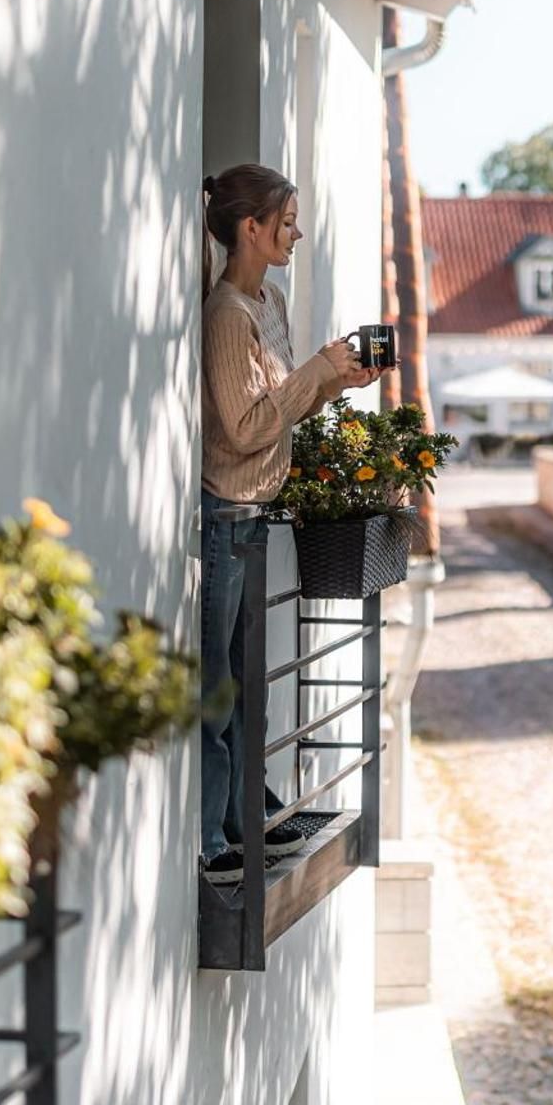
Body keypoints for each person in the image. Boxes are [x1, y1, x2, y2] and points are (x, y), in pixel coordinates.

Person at [199, 163, 377, 886]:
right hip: (226, 518)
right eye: (288, 219)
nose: (297, 232)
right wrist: (312, 373)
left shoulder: (267, 301)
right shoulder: (227, 317)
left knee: (248, 687)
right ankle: (213, 837)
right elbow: (243, 430)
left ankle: (246, 814)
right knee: (217, 688)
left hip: (254, 517)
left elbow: (281, 408)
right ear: (252, 227)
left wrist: (335, 380)